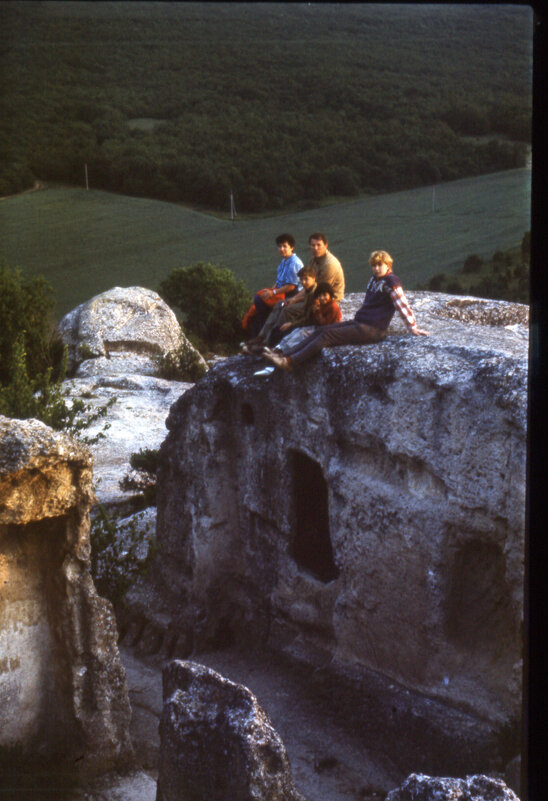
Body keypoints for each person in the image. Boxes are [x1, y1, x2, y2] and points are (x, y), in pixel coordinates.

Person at [261, 249, 429, 371]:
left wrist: (412, 326)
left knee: (327, 336)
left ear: (388, 265)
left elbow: (401, 304)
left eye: (380, 265)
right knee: (321, 330)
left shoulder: (391, 282)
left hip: (372, 329)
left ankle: (289, 362)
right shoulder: (374, 280)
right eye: (374, 265)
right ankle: (285, 355)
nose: (376, 268)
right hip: (361, 323)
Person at [250, 232, 345, 347]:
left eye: (318, 245)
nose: (315, 248)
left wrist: (294, 300)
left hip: (326, 300)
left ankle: (270, 341)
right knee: (280, 304)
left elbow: (320, 291)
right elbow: (308, 285)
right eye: (312, 245)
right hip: (313, 293)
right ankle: (262, 336)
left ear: (326, 245)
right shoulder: (314, 260)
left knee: (287, 309)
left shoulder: (329, 264)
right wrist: (294, 298)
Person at [241, 233, 303, 338]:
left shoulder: (294, 263)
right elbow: (279, 281)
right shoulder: (284, 261)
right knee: (258, 302)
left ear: (291, 247)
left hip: (293, 294)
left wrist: (273, 292)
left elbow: (291, 286)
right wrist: (270, 291)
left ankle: (265, 331)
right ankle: (257, 334)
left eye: (285, 246)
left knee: (259, 301)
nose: (281, 249)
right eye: (279, 246)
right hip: (282, 291)